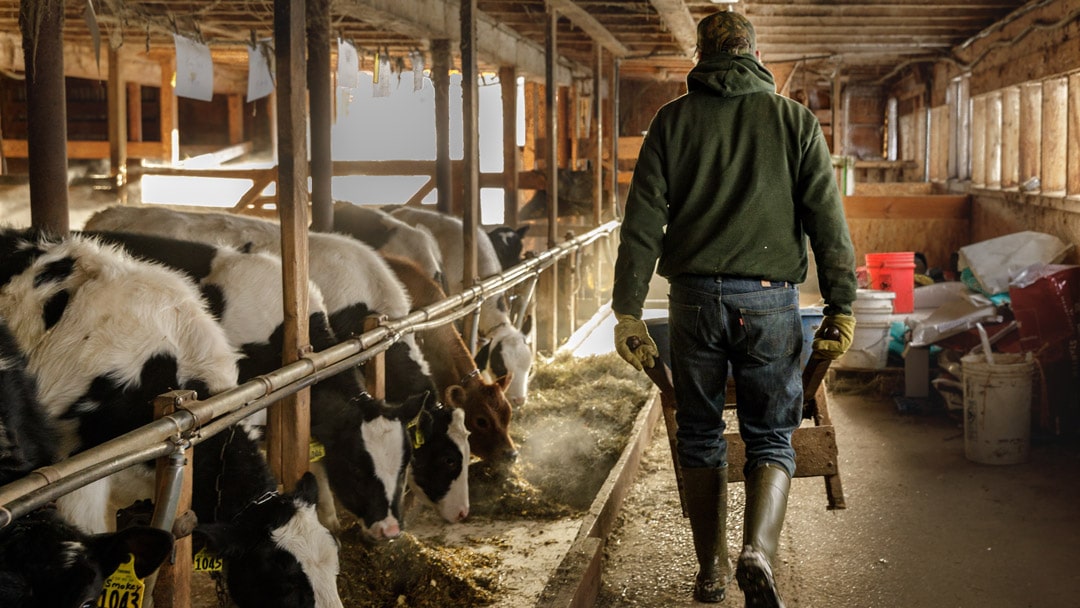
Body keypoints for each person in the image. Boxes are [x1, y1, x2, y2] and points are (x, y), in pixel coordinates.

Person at [610, 9, 857, 607]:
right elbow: (828, 221)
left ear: (700, 56)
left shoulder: (670, 122)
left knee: (699, 435)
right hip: (770, 303)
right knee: (772, 436)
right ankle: (758, 553)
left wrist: (628, 311)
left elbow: (642, 223)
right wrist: (841, 305)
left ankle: (711, 571)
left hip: (693, 302)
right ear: (753, 53)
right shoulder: (795, 121)